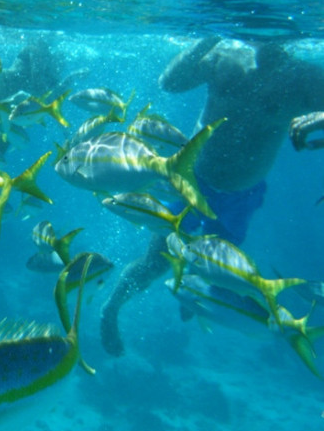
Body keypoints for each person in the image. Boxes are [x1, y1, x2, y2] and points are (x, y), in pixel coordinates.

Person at [100, 36, 324, 357]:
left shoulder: (302, 77)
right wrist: (207, 38)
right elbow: (169, 83)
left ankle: (193, 292)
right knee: (156, 259)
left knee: (219, 272)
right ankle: (112, 307)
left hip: (239, 196)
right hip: (192, 180)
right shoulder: (224, 56)